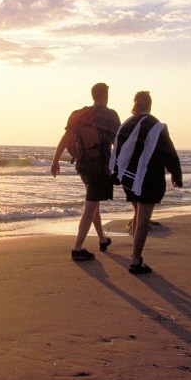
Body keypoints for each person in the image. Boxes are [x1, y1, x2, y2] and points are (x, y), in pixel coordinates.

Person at [111, 91, 182, 274]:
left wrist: (116, 173)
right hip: (148, 179)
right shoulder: (156, 126)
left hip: (129, 179)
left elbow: (118, 148)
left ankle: (136, 255)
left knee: (137, 213)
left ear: (135, 104)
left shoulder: (127, 124)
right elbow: (169, 152)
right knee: (143, 219)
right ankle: (135, 260)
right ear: (149, 105)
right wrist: (176, 174)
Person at [51, 83, 121, 261]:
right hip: (99, 165)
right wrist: (121, 166)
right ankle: (77, 248)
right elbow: (119, 143)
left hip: (82, 164)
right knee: (90, 205)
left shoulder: (79, 116)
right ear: (106, 95)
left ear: (92, 95)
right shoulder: (110, 115)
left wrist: (55, 160)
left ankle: (102, 239)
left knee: (93, 202)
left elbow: (66, 137)